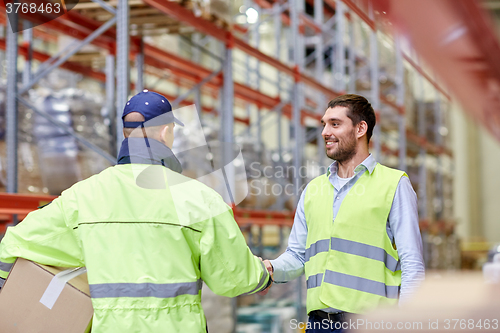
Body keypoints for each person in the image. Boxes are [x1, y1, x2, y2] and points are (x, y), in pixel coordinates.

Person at [0, 90, 271, 333]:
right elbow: (236, 279)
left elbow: (12, 246)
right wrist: (264, 274)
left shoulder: (82, 197)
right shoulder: (199, 199)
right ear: (166, 132)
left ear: (124, 133)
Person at [262, 94, 425, 332]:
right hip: (320, 323)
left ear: (361, 129)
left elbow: (412, 264)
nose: (324, 132)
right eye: (324, 124)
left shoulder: (394, 184)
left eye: (335, 124)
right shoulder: (312, 190)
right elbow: (297, 256)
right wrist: (271, 268)